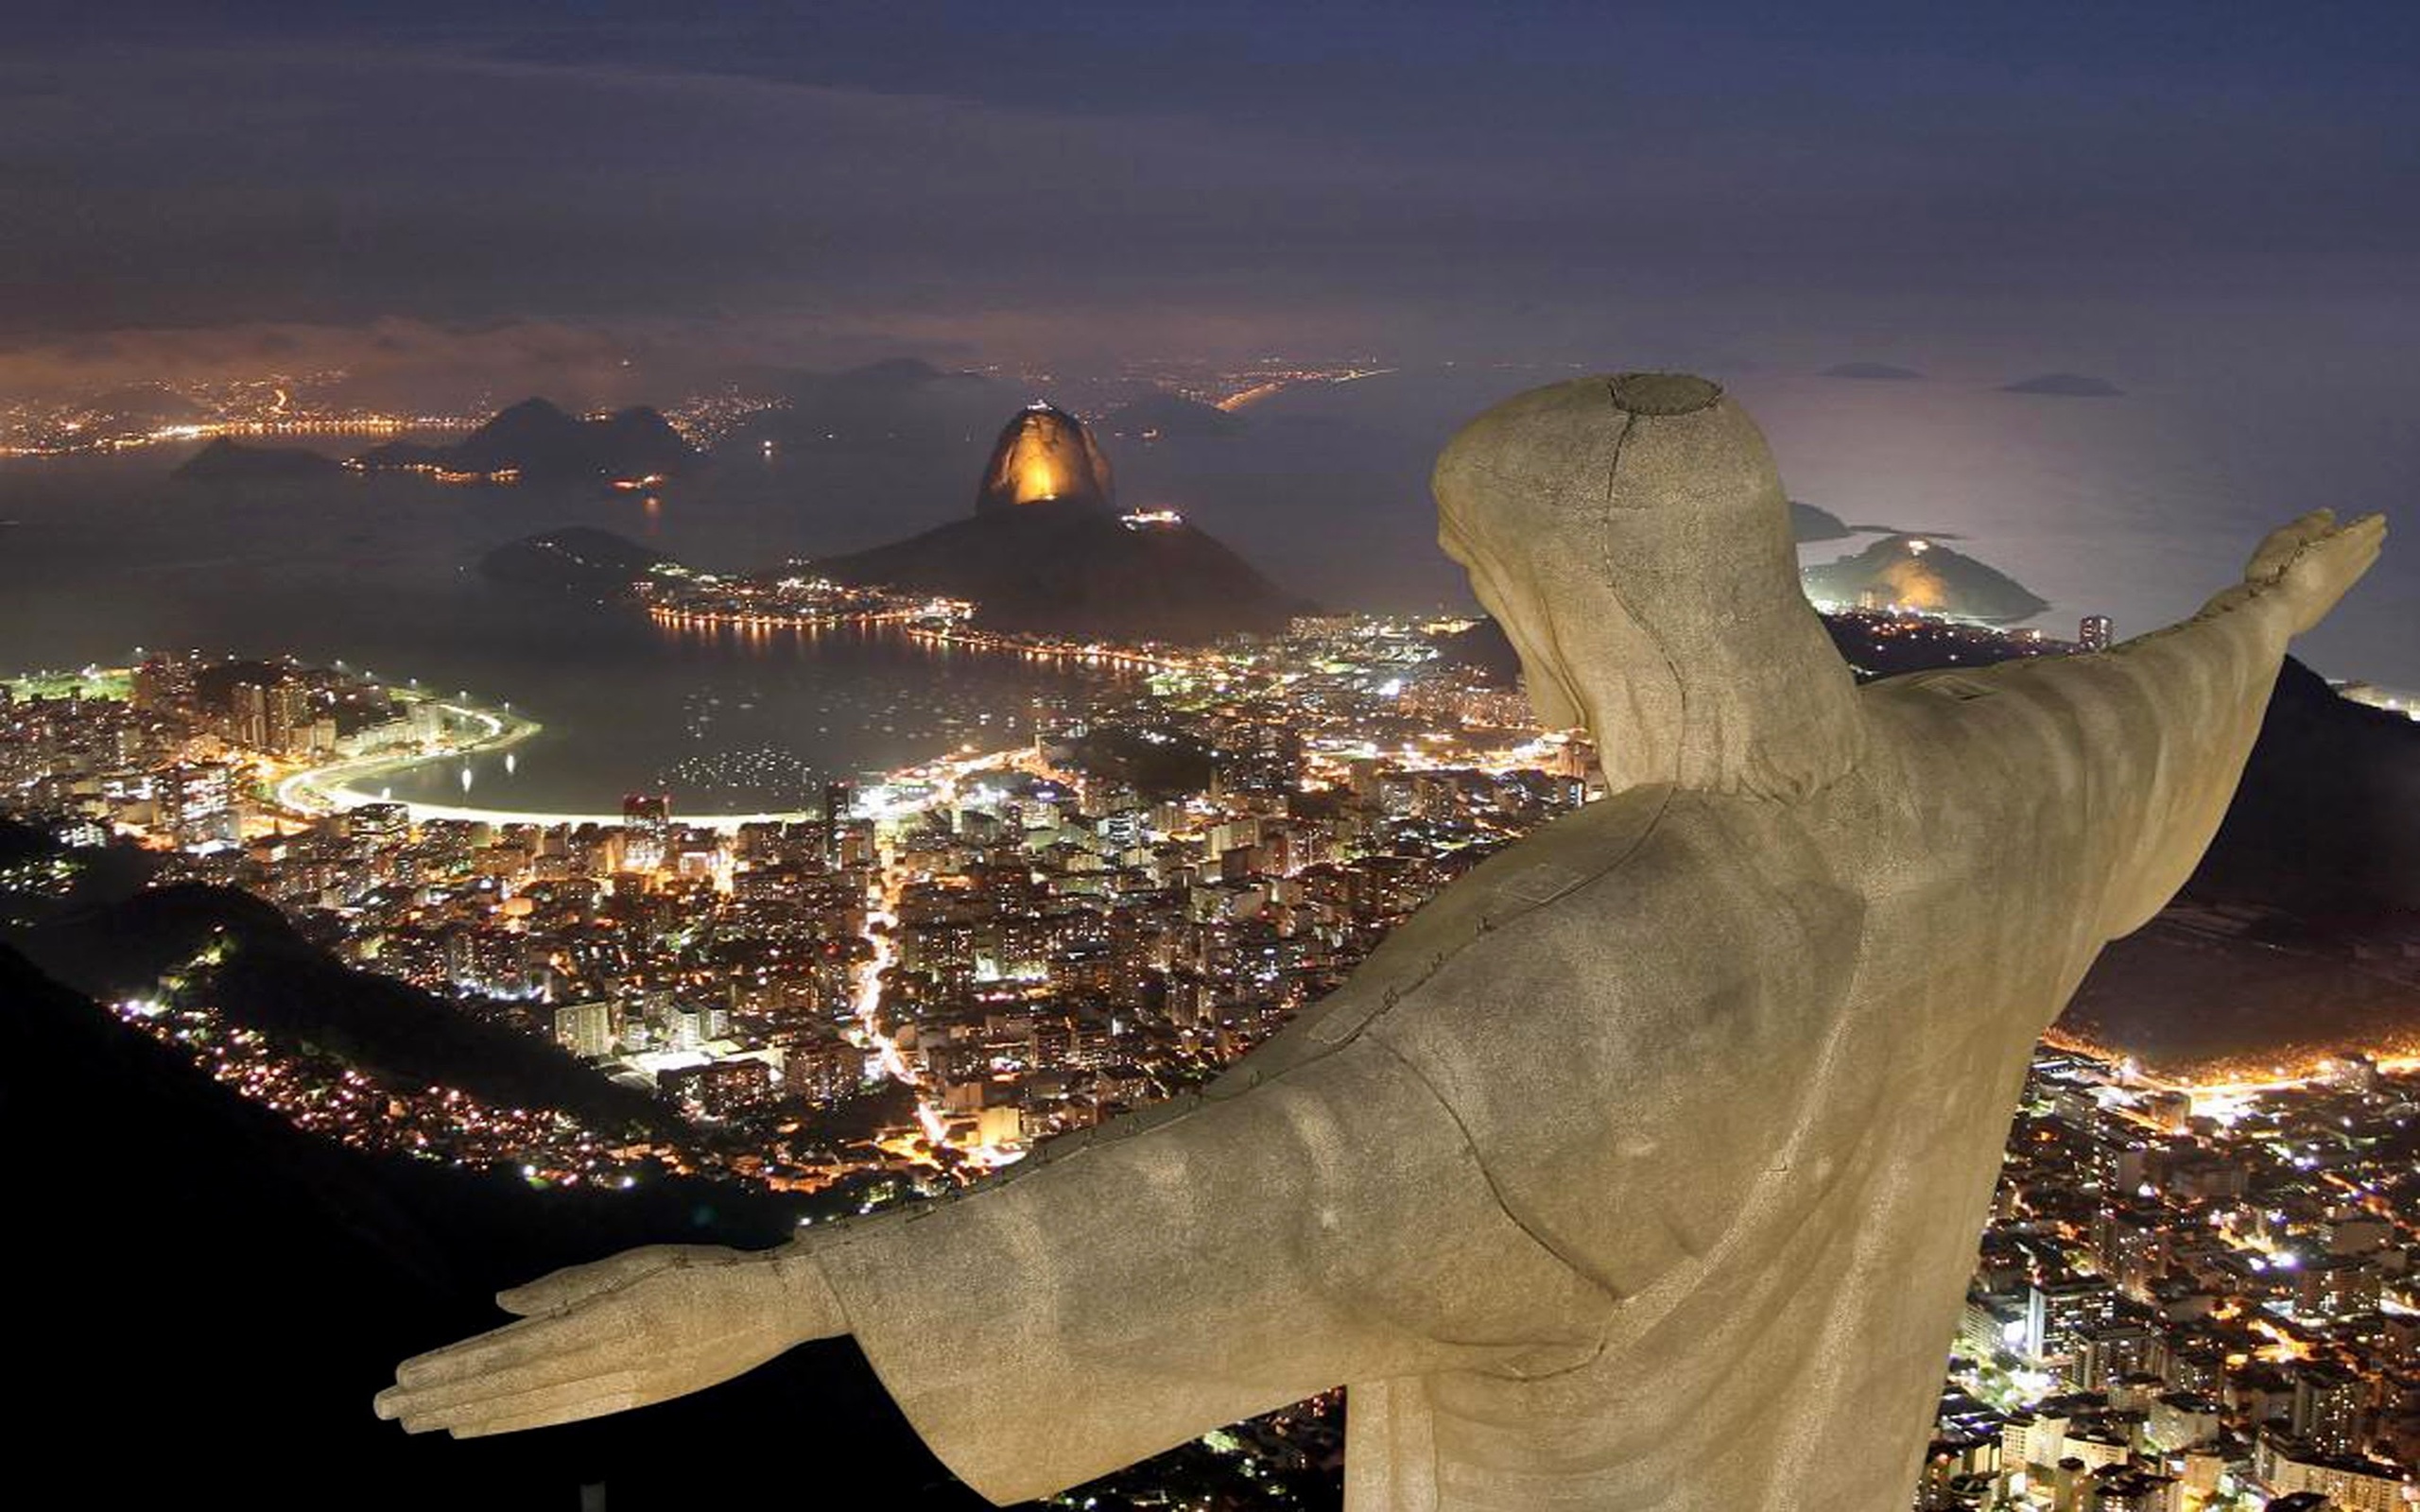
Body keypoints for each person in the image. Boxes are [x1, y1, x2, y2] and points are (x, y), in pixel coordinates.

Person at [377, 372, 2385, 1511]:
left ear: (1564, 589)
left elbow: (1277, 1178)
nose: (1486, 625)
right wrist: (2269, 604)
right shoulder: (1992, 776)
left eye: (1485, 580)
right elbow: (2166, 699)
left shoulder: (1601, 941)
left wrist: (803, 1297)